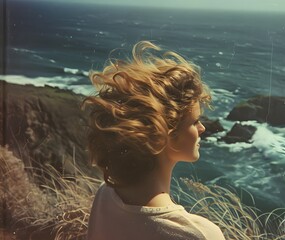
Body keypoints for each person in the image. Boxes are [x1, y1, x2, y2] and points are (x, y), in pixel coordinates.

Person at [84, 41, 226, 240]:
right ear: (162, 134)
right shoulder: (198, 235)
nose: (202, 128)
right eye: (194, 122)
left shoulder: (105, 196)